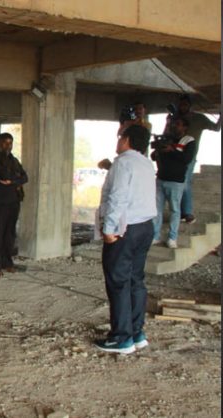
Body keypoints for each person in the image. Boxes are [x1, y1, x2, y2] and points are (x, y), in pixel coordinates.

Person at [94, 124, 156, 354]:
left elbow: (118, 197)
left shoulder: (123, 162)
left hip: (125, 229)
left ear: (127, 140)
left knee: (118, 281)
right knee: (135, 280)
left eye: (121, 137)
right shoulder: (145, 163)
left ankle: (121, 338)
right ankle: (136, 332)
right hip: (144, 227)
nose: (118, 140)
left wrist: (109, 229)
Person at [172, 94, 221, 224]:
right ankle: (182, 212)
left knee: (185, 183)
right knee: (178, 183)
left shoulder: (199, 118)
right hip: (174, 155)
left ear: (190, 106)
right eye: (181, 105)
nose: (183, 107)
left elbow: (216, 128)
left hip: (189, 156)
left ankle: (187, 212)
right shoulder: (175, 119)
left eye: (185, 105)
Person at [151, 117, 196, 249]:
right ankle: (155, 236)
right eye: (173, 124)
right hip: (161, 178)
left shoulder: (189, 141)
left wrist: (172, 150)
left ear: (185, 127)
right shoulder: (167, 139)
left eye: (178, 124)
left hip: (176, 181)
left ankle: (172, 238)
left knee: (175, 210)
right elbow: (153, 156)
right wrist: (159, 150)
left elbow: (187, 159)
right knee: (156, 210)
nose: (174, 127)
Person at [0, 133, 28, 276]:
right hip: (0, 202)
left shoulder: (14, 160)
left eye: (10, 143)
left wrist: (13, 181)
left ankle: (7, 262)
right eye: (5, 143)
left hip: (14, 201)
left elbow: (25, 177)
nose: (8, 146)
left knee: (10, 234)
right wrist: (15, 178)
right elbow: (3, 175)